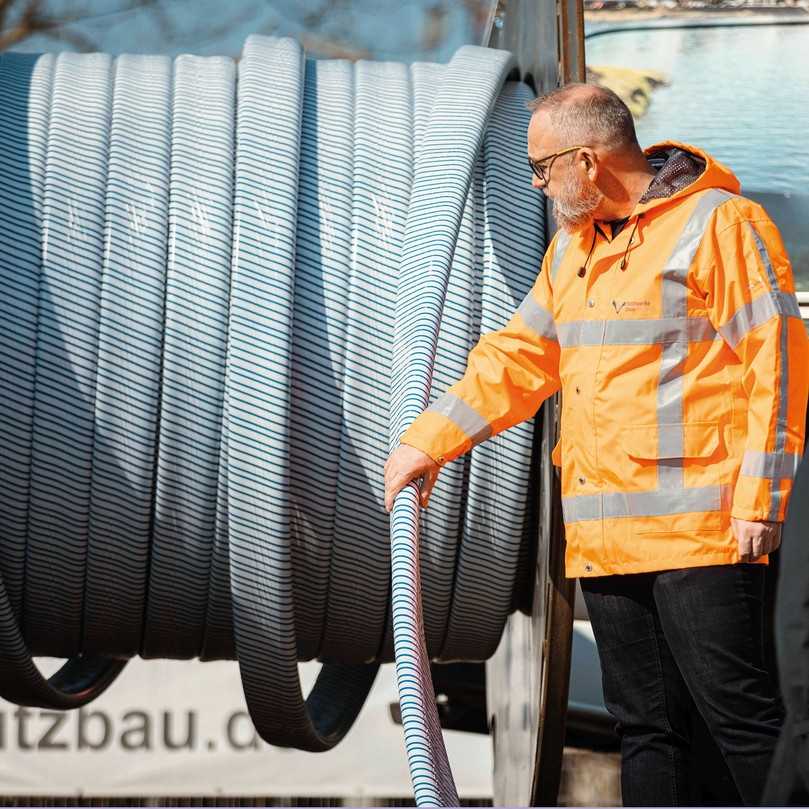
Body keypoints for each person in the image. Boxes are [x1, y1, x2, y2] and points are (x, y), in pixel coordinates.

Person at [383, 83, 809, 806]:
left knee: (740, 723)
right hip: (606, 541)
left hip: (704, 535)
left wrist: (758, 502)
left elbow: (777, 362)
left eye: (542, 168)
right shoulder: (573, 252)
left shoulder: (719, 224)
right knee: (646, 730)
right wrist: (429, 442)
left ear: (586, 159)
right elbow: (517, 358)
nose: (537, 183)